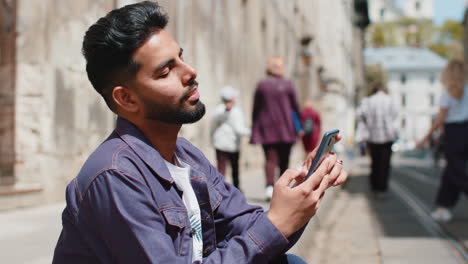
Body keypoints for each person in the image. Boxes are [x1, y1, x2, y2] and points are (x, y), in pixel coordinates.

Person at [52, 2, 348, 263]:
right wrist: (276, 223)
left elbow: (255, 230)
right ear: (126, 99)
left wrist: (305, 192)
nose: (190, 71)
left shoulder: (186, 156)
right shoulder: (115, 176)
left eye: (181, 57)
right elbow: (267, 232)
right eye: (166, 71)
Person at [416, 59, 468, 223]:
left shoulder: (448, 94)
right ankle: (443, 207)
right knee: (451, 171)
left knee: (456, 171)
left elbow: (440, 119)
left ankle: (444, 207)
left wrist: (426, 137)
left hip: (454, 133)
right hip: (466, 130)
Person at [250, 57, 302, 200]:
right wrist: (300, 127)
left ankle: (271, 187)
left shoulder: (262, 85)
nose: (279, 68)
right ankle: (280, 188)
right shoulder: (287, 84)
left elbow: (255, 109)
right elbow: (296, 108)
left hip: (268, 130)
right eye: (277, 66)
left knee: (271, 160)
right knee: (281, 160)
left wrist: (255, 128)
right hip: (285, 129)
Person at [357, 82, 399, 198]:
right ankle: (382, 189)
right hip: (387, 137)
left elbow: (360, 115)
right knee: (385, 164)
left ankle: (374, 186)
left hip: (372, 137)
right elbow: (396, 117)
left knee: (374, 163)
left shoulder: (368, 101)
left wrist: (366, 128)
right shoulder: (390, 100)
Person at [210, 86, 250, 190]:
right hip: (232, 144)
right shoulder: (236, 111)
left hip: (220, 143)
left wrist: (212, 139)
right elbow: (239, 129)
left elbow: (213, 126)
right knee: (234, 168)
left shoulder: (217, 110)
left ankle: (220, 189)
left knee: (221, 168)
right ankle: (236, 189)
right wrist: (252, 132)